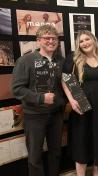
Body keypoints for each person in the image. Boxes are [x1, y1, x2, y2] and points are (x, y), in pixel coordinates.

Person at [12, 25, 65, 176]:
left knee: (55, 153)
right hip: (34, 116)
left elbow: (67, 85)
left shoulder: (61, 61)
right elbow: (17, 89)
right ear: (38, 41)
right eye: (47, 38)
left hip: (56, 115)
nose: (51, 41)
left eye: (54, 38)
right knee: (35, 157)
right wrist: (40, 98)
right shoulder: (25, 61)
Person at [62, 30, 98, 176]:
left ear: (93, 40)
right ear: (78, 45)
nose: (85, 43)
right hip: (82, 105)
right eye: (81, 41)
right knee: (81, 140)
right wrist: (72, 101)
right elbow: (65, 80)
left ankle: (96, 171)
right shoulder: (73, 59)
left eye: (87, 39)